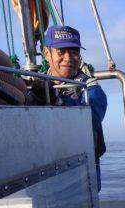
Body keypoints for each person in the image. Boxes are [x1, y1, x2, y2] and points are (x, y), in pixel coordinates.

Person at [26, 25, 107, 191]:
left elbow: (88, 120)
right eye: (61, 51)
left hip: (80, 181)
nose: (69, 57)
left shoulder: (91, 89)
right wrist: (35, 97)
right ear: (47, 53)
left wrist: (56, 101)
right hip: (41, 180)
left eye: (74, 51)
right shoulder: (31, 85)